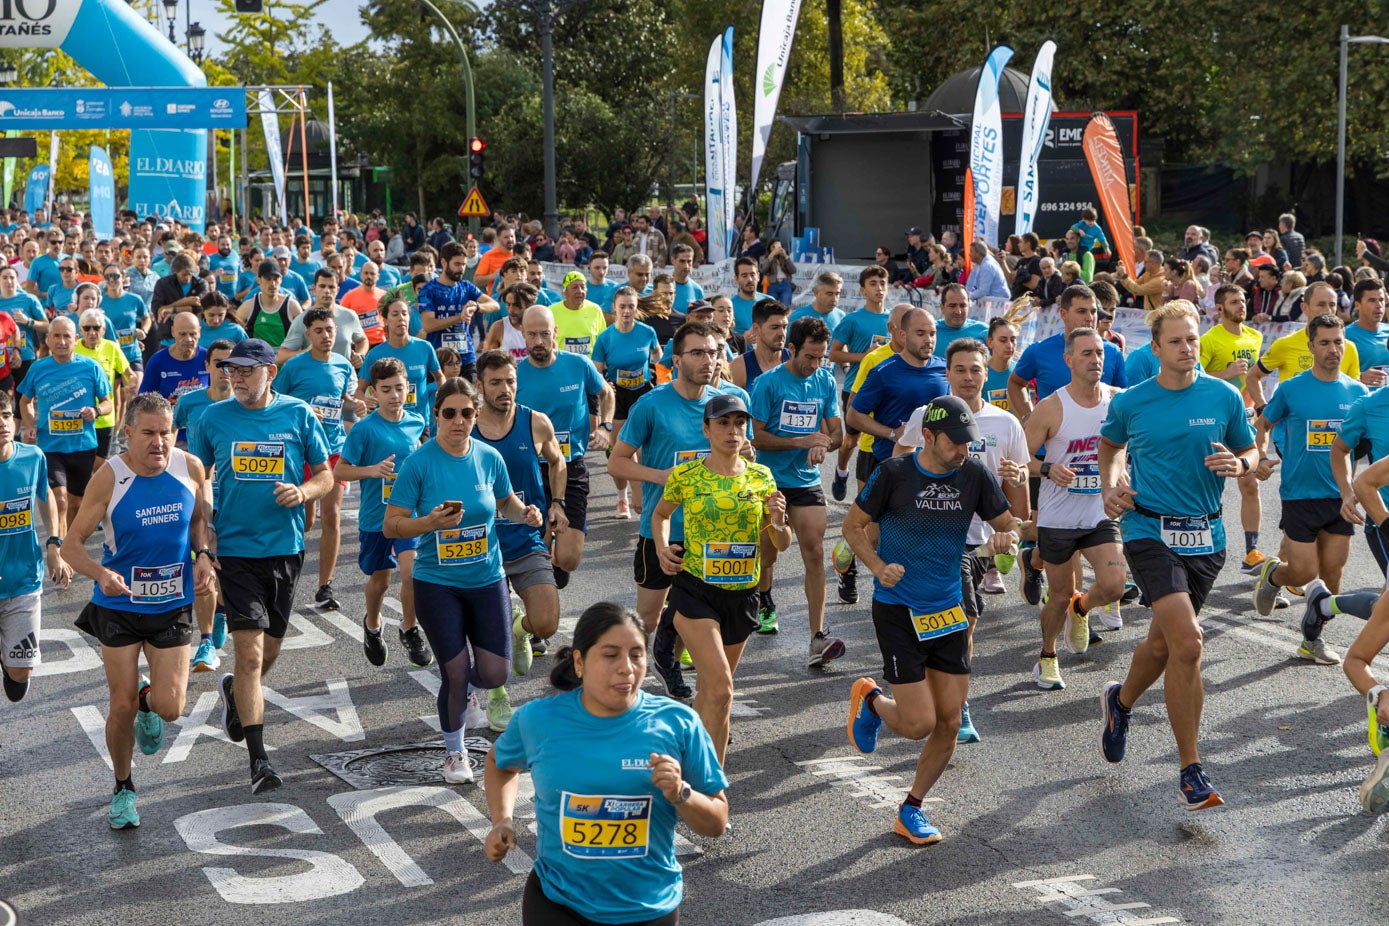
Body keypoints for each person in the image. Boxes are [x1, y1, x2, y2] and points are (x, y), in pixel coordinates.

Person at [1097, 300, 1257, 812]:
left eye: (1193, 339)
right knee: (1188, 643)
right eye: (1176, 341)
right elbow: (1110, 446)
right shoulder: (1133, 402)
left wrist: (1241, 462)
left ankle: (1119, 702)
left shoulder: (1224, 395)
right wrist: (1110, 481)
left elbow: (1251, 452)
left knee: (1164, 645)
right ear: (1157, 347)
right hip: (1149, 529)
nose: (1187, 348)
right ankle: (1191, 769)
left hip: (1207, 537)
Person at [483, 602, 728, 925]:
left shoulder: (678, 723)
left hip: (648, 909)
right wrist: (502, 819)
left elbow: (717, 823)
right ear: (579, 661)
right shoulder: (540, 719)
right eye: (610, 655)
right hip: (558, 904)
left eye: (637, 654)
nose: (626, 668)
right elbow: (500, 762)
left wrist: (682, 793)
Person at [844, 395, 1019, 844]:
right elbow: (852, 527)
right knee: (918, 722)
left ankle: (912, 808)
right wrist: (877, 567)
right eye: (956, 442)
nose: (964, 449)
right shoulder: (893, 474)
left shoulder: (974, 474)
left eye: (969, 442)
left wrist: (1008, 537)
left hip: (947, 610)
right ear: (928, 436)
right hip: (899, 607)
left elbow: (1012, 524)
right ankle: (873, 703)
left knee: (949, 720)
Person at [63, 392, 216, 828]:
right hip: (119, 604)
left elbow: (200, 522)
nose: (159, 443)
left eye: (166, 432)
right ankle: (124, 787)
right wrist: (100, 574)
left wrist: (203, 556)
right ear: (127, 433)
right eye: (148, 433)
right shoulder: (109, 478)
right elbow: (72, 546)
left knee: (170, 708)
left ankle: (151, 701)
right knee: (121, 704)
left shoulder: (191, 467)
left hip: (172, 603)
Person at [191, 338, 333, 794]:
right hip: (234, 551)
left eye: (247, 371)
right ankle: (260, 762)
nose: (236, 377)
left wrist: (304, 493)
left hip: (285, 549)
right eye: (232, 370)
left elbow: (325, 473)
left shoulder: (297, 414)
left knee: (268, 654)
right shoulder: (211, 418)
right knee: (249, 654)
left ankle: (235, 692)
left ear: (270, 372)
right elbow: (198, 481)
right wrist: (204, 540)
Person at [383, 376, 543, 780]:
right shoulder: (418, 463)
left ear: (476, 414)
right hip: (437, 582)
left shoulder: (490, 458)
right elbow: (391, 526)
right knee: (454, 672)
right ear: (436, 415)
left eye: (467, 413)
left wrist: (524, 513)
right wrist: (428, 523)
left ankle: (472, 689)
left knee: (494, 675)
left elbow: (505, 501)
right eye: (449, 413)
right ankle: (455, 753)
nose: (458, 421)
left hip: (487, 579)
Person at [895, 340, 1029, 741]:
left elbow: (1017, 480)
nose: (968, 377)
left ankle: (936, 693)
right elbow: (897, 465)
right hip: (932, 537)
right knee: (964, 617)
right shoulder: (927, 415)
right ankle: (956, 703)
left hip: (981, 542)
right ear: (947, 374)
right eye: (960, 370)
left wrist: (1019, 490)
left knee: (959, 621)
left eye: (976, 369)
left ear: (987, 373)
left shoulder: (1005, 423)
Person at [652, 393, 788, 764]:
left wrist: (778, 522)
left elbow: (778, 545)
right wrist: (663, 548)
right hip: (696, 590)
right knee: (723, 689)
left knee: (713, 692)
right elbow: (661, 515)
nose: (733, 431)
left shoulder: (762, 477)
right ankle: (713, 786)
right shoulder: (687, 475)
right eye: (724, 423)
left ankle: (688, 748)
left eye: (739, 424)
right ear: (706, 429)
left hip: (743, 595)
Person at [1251, 314, 1368, 664]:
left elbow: (1364, 444)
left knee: (1333, 572)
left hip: (1339, 495)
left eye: (1338, 342)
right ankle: (1273, 575)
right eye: (1325, 342)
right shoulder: (1291, 389)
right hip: (1299, 493)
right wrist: (1259, 455)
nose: (1333, 349)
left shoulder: (1357, 392)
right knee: (1302, 573)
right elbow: (1264, 422)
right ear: (1310, 345)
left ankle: (1312, 639)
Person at [1023, 328, 1127, 690]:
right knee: (1060, 593)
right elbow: (1021, 460)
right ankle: (1047, 656)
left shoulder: (1118, 401)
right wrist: (1049, 468)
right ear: (1068, 360)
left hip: (1100, 513)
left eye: (1099, 353)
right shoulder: (1052, 407)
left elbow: (1127, 447)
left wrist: (1123, 474)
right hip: (1059, 517)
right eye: (1086, 353)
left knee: (1114, 585)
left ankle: (1082, 609)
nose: (1095, 359)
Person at [473, 350, 569, 726]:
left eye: (510, 381)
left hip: (527, 537)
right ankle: (497, 692)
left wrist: (557, 503)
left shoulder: (536, 422)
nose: (505, 389)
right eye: (495, 383)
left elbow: (558, 460)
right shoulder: (468, 427)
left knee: (546, 624)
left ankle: (520, 629)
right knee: (485, 629)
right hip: (482, 544)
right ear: (480, 386)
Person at [748, 316, 845, 664]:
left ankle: (817, 637)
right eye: (809, 357)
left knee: (815, 552)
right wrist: (802, 441)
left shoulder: (824, 381)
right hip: (769, 481)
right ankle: (764, 596)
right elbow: (755, 437)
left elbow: (836, 433)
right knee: (770, 554)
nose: (815, 364)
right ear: (791, 349)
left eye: (821, 358)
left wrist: (824, 447)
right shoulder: (768, 384)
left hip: (805, 482)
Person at [337, 357, 434, 669]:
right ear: (374, 394)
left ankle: (409, 629)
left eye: (399, 388)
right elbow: (341, 470)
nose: (394, 395)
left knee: (411, 574)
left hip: (409, 515)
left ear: (408, 388)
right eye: (386, 389)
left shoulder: (418, 422)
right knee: (380, 580)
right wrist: (372, 470)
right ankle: (373, 625)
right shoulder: (364, 430)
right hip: (375, 518)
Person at [272, 308, 364, 611]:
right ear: (308, 334)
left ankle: (325, 585)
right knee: (306, 520)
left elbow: (345, 401)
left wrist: (357, 405)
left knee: (332, 515)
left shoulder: (343, 365)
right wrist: (304, 410)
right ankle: (288, 574)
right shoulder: (295, 366)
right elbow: (275, 401)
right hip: (302, 449)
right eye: (319, 330)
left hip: (334, 447)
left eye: (330, 329)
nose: (326, 335)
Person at [516, 305, 614, 588]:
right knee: (537, 554)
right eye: (531, 334)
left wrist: (606, 427)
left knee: (569, 559)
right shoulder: (516, 376)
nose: (538, 342)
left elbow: (606, 393)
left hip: (571, 466)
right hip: (533, 470)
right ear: (522, 334)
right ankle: (538, 613)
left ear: (555, 333)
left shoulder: (578, 365)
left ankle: (557, 565)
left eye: (544, 334)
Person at [0, 390, 71, 748]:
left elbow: (46, 500)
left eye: (5, 415)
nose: (1, 422)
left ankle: (8, 657)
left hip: (24, 580)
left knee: (19, 679)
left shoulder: (33, 457)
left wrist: (54, 547)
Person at [172, 339, 235, 672]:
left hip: (237, 498)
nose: (226, 370)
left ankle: (222, 611)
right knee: (204, 561)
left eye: (232, 364)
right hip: (198, 495)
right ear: (207, 366)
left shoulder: (245, 406)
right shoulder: (190, 403)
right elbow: (169, 435)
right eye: (219, 363)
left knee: (225, 565)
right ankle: (207, 641)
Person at [1198, 284, 1269, 575]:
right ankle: (1194, 545)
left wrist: (1262, 410)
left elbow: (1255, 378)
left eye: (1243, 301)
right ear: (1219, 309)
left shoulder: (1256, 336)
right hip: (1213, 420)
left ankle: (1252, 550)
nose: (1241, 306)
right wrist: (1225, 374)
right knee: (1203, 485)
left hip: (1245, 419)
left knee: (1249, 483)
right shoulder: (1209, 339)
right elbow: (1193, 378)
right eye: (1234, 302)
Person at [17, 317, 113, 528]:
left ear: (75, 339)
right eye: (56, 336)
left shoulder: (90, 367)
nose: (61, 342)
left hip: (83, 445)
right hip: (50, 446)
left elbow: (108, 403)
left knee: (75, 503)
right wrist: (31, 424)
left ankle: (69, 547)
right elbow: (24, 402)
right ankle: (57, 548)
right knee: (60, 499)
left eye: (66, 336)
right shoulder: (38, 368)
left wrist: (95, 411)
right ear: (48, 340)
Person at [592, 287, 660, 519]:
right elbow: (596, 371)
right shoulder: (605, 338)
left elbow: (659, 358)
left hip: (642, 393)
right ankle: (622, 497)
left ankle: (643, 497)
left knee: (644, 449)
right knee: (620, 451)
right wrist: (604, 383)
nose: (627, 311)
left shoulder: (647, 332)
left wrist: (657, 375)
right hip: (617, 396)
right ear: (614, 308)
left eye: (631, 306)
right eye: (622, 306)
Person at [828, 265, 891, 500]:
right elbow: (833, 354)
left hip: (888, 390)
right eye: (873, 284)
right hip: (857, 388)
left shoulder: (895, 319)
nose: (879, 289)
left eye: (883, 284)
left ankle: (877, 490)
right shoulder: (852, 320)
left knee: (884, 437)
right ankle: (841, 471)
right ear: (863, 290)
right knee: (852, 440)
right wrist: (864, 356)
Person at [359, 298, 444, 427]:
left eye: (404, 314)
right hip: (386, 425)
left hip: (420, 423)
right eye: (395, 314)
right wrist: (364, 400)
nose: (401, 318)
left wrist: (442, 394)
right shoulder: (375, 354)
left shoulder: (425, 347)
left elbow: (440, 377)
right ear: (386, 321)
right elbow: (359, 390)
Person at [418, 241, 495, 380]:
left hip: (465, 357)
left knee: (469, 399)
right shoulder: (429, 290)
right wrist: (460, 317)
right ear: (444, 262)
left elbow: (493, 304)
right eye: (457, 264)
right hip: (438, 360)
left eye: (464, 265)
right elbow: (429, 325)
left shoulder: (466, 286)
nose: (461, 269)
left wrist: (476, 307)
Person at [72, 308, 131, 471]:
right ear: (80, 330)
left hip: (105, 416)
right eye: (87, 328)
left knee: (100, 468)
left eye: (96, 328)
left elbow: (129, 374)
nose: (92, 332)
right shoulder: (73, 349)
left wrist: (132, 385)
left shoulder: (112, 348)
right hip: (78, 417)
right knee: (81, 467)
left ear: (103, 330)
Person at [236, 259, 303, 348]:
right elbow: (234, 334)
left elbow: (305, 335)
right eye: (268, 279)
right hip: (257, 359)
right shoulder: (248, 307)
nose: (273, 283)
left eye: (276, 279)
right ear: (259, 280)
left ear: (281, 280)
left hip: (284, 358)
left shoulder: (292, 306)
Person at [727, 300, 790, 392]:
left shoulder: (796, 361)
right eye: (775, 327)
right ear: (756, 329)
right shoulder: (738, 367)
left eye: (784, 327)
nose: (782, 333)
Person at [552, 271, 609, 358]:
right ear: (565, 291)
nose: (579, 291)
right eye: (574, 287)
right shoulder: (551, 311)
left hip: (588, 367)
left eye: (583, 287)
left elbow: (603, 341)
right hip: (562, 366)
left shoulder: (595, 309)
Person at [933, 284, 988, 357]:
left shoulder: (983, 330)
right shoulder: (931, 331)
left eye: (962, 306)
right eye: (952, 306)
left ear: (969, 306)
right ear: (942, 307)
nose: (958, 311)